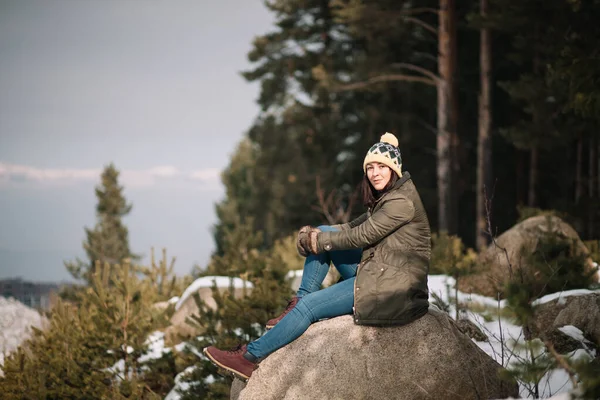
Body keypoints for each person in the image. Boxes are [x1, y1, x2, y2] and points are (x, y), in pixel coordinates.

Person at [203, 132, 431, 381]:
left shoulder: (400, 203)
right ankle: (298, 302)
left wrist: (318, 243)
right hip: (381, 271)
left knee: (311, 306)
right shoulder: (389, 196)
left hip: (394, 289)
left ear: (394, 169)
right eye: (370, 167)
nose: (375, 173)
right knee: (325, 231)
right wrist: (315, 235)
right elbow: (351, 228)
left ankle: (249, 358)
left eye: (381, 167)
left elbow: (361, 237)